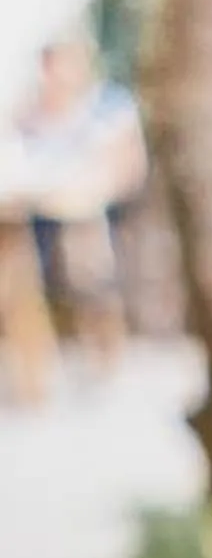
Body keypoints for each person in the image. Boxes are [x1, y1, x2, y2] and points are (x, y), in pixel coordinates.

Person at [16, 38, 147, 369]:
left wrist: (95, 189)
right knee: (21, 277)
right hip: (37, 210)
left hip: (92, 210)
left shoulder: (109, 106)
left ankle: (106, 353)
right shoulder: (31, 111)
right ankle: (36, 365)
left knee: (92, 276)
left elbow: (131, 164)